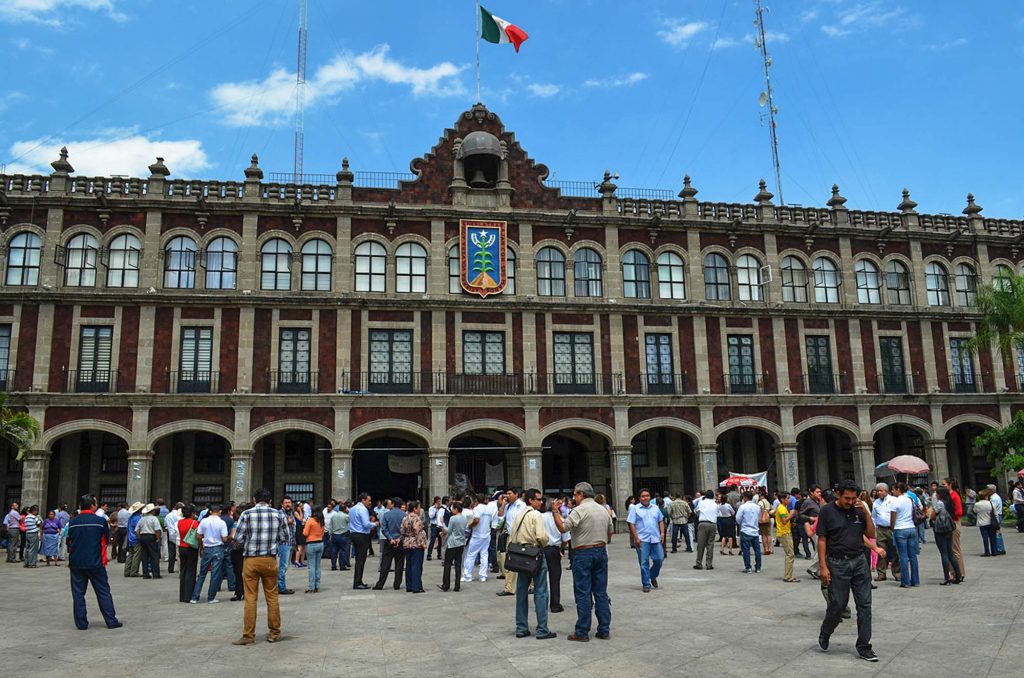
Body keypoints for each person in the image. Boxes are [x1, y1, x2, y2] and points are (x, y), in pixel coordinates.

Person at [817, 480, 878, 663]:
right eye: (847, 498)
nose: (850, 502)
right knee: (838, 605)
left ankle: (864, 646)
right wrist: (823, 566)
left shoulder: (859, 510)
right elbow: (822, 539)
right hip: (837, 563)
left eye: (854, 498)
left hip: (859, 561)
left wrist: (866, 514)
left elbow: (871, 535)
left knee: (865, 606)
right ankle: (826, 630)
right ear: (838, 494)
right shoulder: (827, 511)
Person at [553, 482, 612, 642]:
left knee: (583, 592)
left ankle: (582, 631)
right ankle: (604, 629)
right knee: (601, 592)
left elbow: (563, 528)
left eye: (575, 494)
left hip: (583, 552)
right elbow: (610, 531)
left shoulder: (579, 510)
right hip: (601, 550)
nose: (574, 497)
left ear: (580, 494)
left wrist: (555, 511)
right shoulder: (603, 509)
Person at [232, 488, 289, 645]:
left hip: (251, 560)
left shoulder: (246, 514)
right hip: (270, 560)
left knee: (250, 598)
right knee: (272, 597)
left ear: (254, 500)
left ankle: (248, 635)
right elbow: (285, 538)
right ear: (270, 501)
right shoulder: (279, 514)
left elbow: (238, 538)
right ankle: (274, 633)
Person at [66, 495, 121, 630]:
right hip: (95, 562)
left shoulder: (73, 522)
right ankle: (111, 620)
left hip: (76, 562)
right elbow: (106, 540)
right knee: (103, 592)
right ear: (92, 506)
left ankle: (81, 623)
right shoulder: (100, 521)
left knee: (78, 594)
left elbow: (69, 541)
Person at [509, 489, 556, 640]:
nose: (541, 502)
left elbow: (512, 534)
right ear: (530, 500)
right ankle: (542, 628)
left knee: (521, 591)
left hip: (521, 556)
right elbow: (542, 536)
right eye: (538, 499)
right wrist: (544, 543)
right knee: (541, 591)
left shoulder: (519, 514)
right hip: (535, 554)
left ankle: (521, 627)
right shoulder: (536, 515)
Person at [626, 488, 665, 592]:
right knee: (644, 563)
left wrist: (662, 533)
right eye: (643, 496)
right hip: (642, 539)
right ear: (639, 498)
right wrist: (636, 538)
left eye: (647, 496)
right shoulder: (635, 508)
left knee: (659, 559)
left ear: (650, 497)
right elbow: (632, 524)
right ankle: (646, 584)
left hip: (655, 538)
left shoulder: (655, 508)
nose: (645, 498)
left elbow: (660, 520)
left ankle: (652, 575)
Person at [191, 504, 228, 604]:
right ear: (219, 511)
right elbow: (224, 538)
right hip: (218, 548)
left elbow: (199, 536)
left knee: (202, 574)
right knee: (215, 574)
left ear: (210, 511)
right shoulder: (221, 523)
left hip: (207, 547)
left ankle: (195, 597)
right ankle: (211, 597)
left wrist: (201, 546)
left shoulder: (204, 521)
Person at [496, 488, 526, 597]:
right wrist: (503, 505)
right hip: (510, 536)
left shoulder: (521, 505)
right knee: (510, 561)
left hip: (521, 536)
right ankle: (509, 588)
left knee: (525, 561)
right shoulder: (508, 506)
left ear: (516, 494)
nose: (507, 495)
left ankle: (531, 585)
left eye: (510, 493)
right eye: (507, 493)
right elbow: (500, 516)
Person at [889, 482, 919, 588]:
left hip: (900, 528)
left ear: (898, 489)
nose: (892, 491)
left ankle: (905, 581)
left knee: (903, 556)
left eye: (893, 489)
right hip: (911, 527)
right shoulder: (909, 499)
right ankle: (915, 580)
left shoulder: (895, 501)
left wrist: (892, 528)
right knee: (913, 556)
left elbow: (893, 518)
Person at [929, 487, 961, 584]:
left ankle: (946, 577)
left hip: (940, 529)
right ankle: (958, 575)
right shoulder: (950, 502)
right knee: (950, 553)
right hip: (949, 528)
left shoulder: (940, 503)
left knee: (944, 553)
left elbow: (933, 515)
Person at [541, 496, 568, 612]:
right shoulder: (561, 519)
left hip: (542, 548)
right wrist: (562, 549)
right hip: (554, 549)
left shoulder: (540, 517)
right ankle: (555, 604)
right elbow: (566, 538)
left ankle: (541, 602)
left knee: (540, 577)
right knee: (555, 577)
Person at [374, 497, 406, 590]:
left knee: (385, 564)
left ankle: (380, 584)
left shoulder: (387, 515)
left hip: (389, 542)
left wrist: (390, 538)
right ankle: (397, 584)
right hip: (400, 542)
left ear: (392, 504)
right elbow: (405, 530)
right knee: (399, 564)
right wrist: (399, 538)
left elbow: (383, 529)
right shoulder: (404, 515)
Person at [870, 483, 897, 582]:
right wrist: (874, 529)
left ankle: (897, 573)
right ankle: (881, 573)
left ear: (886, 491)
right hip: (881, 529)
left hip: (892, 528)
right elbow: (874, 517)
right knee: (881, 551)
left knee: (895, 551)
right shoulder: (876, 502)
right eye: (877, 491)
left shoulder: (893, 500)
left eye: (881, 491)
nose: (879, 493)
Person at [465, 494, 495, 582]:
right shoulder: (488, 509)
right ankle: (483, 576)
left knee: (471, 555)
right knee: (484, 555)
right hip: (486, 534)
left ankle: (468, 575)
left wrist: (470, 526)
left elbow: (476, 520)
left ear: (476, 501)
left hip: (477, 535)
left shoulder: (477, 509)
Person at [438, 501, 467, 592]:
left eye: (453, 508)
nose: (452, 510)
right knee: (458, 565)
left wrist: (442, 524)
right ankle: (457, 586)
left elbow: (448, 531)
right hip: (461, 543)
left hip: (452, 543)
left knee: (447, 564)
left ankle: (446, 585)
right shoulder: (464, 518)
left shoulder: (453, 518)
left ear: (456, 509)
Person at [349, 493, 375, 589]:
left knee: (358, 559)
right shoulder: (363, 509)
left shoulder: (352, 509)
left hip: (354, 534)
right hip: (361, 535)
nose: (369, 502)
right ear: (363, 500)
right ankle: (358, 582)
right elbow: (366, 524)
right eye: (368, 500)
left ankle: (358, 580)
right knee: (361, 560)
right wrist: (375, 524)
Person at [400, 500, 426, 593]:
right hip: (416, 543)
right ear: (415, 509)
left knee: (409, 565)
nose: (420, 509)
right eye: (419, 507)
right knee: (416, 565)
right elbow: (417, 531)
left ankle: (409, 585)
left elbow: (402, 531)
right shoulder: (416, 518)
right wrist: (422, 543)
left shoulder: (405, 518)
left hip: (407, 543)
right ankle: (416, 586)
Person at [176, 505, 200, 603]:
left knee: (183, 570)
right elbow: (198, 535)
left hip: (182, 546)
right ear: (192, 513)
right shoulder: (195, 523)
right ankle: (189, 595)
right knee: (191, 571)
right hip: (191, 547)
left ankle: (182, 595)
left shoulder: (179, 522)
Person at [735, 492, 763, 574]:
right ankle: (758, 567)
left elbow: (738, 518)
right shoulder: (757, 507)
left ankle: (748, 567)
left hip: (746, 530)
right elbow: (759, 517)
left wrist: (742, 523)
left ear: (745, 497)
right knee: (757, 550)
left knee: (746, 550)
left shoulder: (743, 507)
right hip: (755, 530)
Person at [135, 504, 163, 579]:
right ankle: (156, 573)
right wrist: (158, 538)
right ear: (152, 511)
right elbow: (157, 530)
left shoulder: (142, 519)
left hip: (143, 537)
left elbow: (137, 530)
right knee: (154, 555)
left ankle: (145, 573)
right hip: (151, 536)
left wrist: (139, 537)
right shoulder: (154, 519)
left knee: (144, 556)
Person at [776, 489, 798, 582]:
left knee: (790, 554)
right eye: (788, 498)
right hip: (784, 533)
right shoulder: (781, 508)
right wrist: (792, 514)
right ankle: (788, 576)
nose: (789, 500)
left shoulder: (784, 507)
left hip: (786, 532)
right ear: (782, 499)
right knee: (790, 554)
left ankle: (789, 575)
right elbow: (784, 520)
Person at [303, 505, 326, 593]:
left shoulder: (310, 521)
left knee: (311, 566)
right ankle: (317, 585)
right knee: (318, 566)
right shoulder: (321, 521)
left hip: (311, 544)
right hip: (320, 543)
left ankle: (311, 586)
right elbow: (323, 533)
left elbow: (305, 533)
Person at [693, 490, 718, 570]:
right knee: (710, 545)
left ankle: (699, 563)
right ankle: (709, 564)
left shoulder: (701, 502)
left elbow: (696, 510)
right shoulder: (715, 504)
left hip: (703, 524)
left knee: (701, 544)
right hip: (713, 524)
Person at [277, 496, 296, 595]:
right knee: (283, 565)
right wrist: (287, 522)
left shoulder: (291, 513)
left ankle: (281, 585)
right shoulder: (280, 514)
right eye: (286, 503)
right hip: (283, 543)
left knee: (286, 565)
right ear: (282, 504)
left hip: (290, 542)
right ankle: (281, 586)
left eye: (289, 502)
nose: (288, 504)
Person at [974, 489, 997, 557]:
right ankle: (994, 551)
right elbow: (995, 513)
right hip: (991, 522)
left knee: (985, 537)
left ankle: (987, 551)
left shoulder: (977, 504)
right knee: (992, 537)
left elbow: (975, 511)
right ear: (986, 496)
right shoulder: (990, 503)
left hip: (982, 523)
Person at [328, 502, 350, 571]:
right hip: (343, 535)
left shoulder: (333, 516)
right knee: (343, 551)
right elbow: (349, 524)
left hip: (334, 535)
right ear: (345, 509)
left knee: (334, 551)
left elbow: (330, 526)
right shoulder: (346, 516)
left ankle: (333, 565)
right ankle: (342, 565)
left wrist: (330, 534)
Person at [123, 502, 143, 577]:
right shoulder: (138, 518)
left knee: (130, 555)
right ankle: (134, 571)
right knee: (137, 555)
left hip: (130, 538)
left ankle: (127, 571)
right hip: (136, 538)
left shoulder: (131, 517)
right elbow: (138, 529)